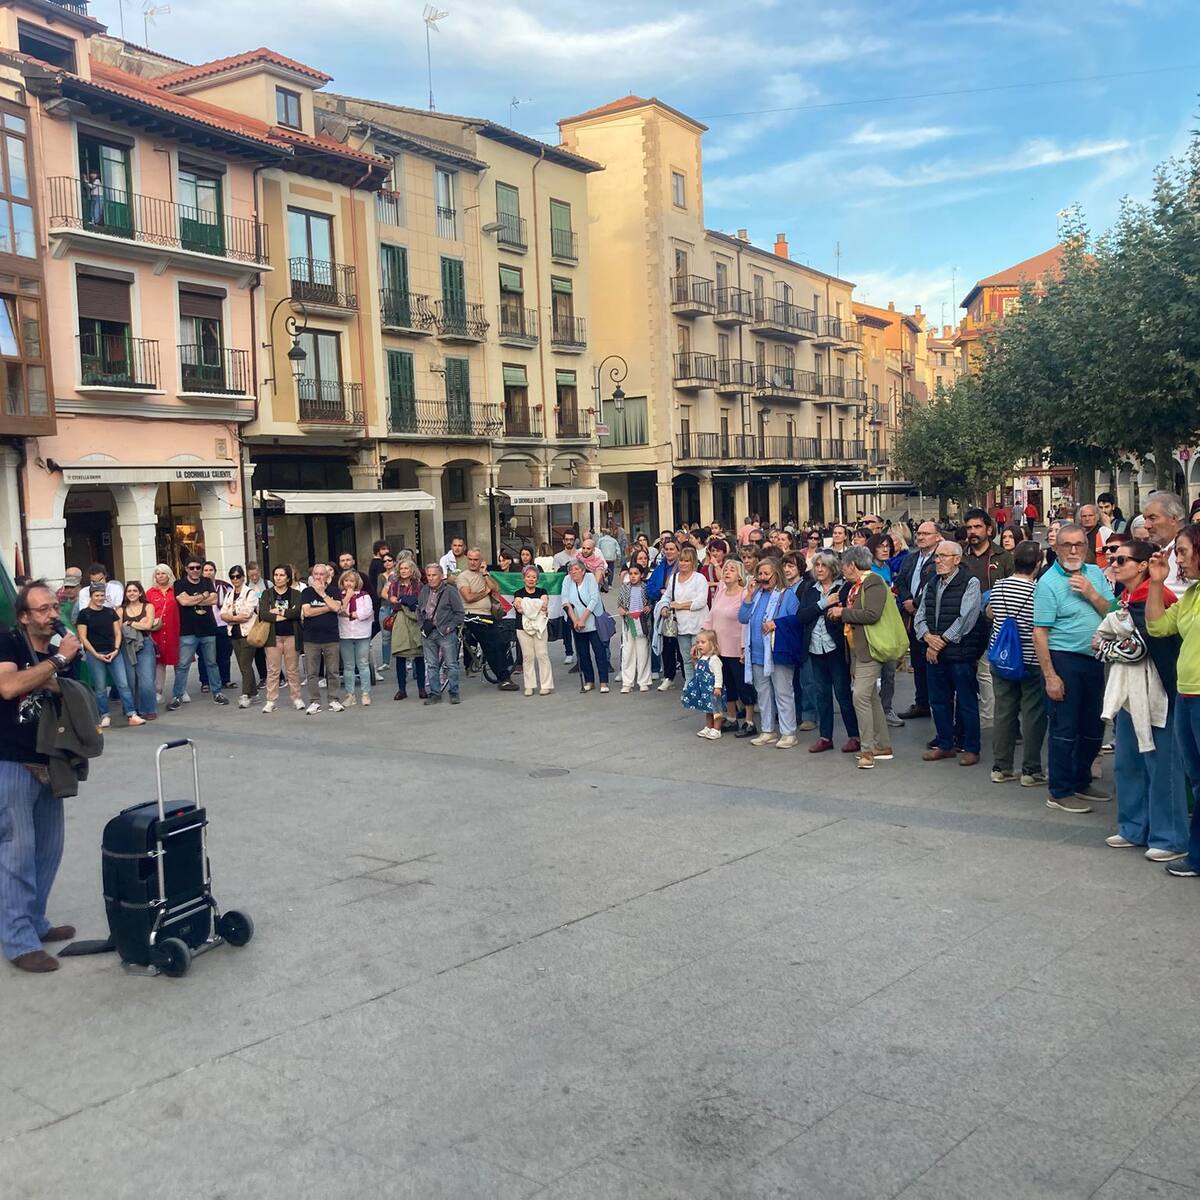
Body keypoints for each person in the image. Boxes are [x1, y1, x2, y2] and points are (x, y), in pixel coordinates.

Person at [0, 582, 86, 972]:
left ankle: (35, 922)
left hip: (52, 762)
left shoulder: (59, 650)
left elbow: (74, 693)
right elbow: (9, 685)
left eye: (55, 607)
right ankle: (18, 941)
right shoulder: (9, 644)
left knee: (48, 850)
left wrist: (57, 667)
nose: (53, 614)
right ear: (23, 616)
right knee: (16, 854)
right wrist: (53, 667)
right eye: (43, 609)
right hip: (12, 761)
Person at [1102, 539, 1188, 860]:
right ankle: (1133, 827)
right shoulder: (1124, 597)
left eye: (1121, 558)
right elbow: (1105, 642)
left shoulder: (1157, 596)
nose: (1114, 561)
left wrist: (1109, 645)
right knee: (1129, 762)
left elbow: (1139, 646)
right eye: (1112, 556)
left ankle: (1169, 836)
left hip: (1156, 691)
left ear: (1141, 565)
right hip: (1129, 690)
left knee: (1161, 764)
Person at [1032, 522, 1115, 813]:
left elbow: (1113, 612)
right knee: (1065, 728)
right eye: (1066, 545)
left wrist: (1091, 593)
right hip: (1064, 659)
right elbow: (1039, 632)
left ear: (1087, 546)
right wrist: (1050, 675)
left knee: (1093, 725)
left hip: (1095, 660)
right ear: (1055, 548)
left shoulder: (1094, 574)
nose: (1073, 550)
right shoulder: (1047, 583)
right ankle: (1060, 789)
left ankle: (1081, 780)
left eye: (1079, 544)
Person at [1146, 526, 1200, 877]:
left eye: (1182, 551)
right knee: (1195, 777)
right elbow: (1157, 627)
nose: (1177, 558)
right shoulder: (1192, 594)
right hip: (1186, 694)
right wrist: (1155, 582)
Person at [916, 541, 983, 767]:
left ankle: (972, 747)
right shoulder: (931, 583)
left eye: (944, 556)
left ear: (956, 559)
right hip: (936, 653)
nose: (938, 560)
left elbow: (967, 618)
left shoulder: (970, 582)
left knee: (966, 702)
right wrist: (926, 637)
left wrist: (940, 642)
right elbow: (920, 615)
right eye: (936, 556)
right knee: (939, 702)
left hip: (960, 653)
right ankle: (945, 744)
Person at [987, 540, 1047, 786]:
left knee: (1004, 711)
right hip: (1030, 658)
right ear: (1038, 564)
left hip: (1001, 656)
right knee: (1033, 713)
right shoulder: (1039, 591)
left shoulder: (999, 586)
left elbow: (990, 612)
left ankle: (1001, 767)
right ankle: (1030, 770)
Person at [826, 546, 891, 769]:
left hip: (871, 648)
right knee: (871, 696)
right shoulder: (855, 586)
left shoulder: (873, 581)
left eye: (843, 565)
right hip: (857, 647)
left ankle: (867, 750)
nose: (842, 570)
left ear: (852, 565)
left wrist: (841, 613)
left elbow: (872, 614)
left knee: (860, 696)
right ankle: (882, 744)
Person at [791, 549, 859, 754]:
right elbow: (802, 616)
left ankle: (854, 736)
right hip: (815, 646)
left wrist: (834, 611)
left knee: (842, 692)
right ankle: (825, 737)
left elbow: (846, 614)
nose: (819, 569)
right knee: (822, 694)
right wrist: (824, 603)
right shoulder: (810, 589)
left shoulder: (844, 588)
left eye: (824, 566)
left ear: (833, 569)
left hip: (836, 647)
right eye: (817, 565)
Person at [738, 557, 799, 749]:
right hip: (756, 652)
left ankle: (788, 732)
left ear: (776, 575)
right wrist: (748, 596)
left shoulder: (786, 595)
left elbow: (795, 620)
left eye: (766, 574)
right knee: (763, 692)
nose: (762, 578)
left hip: (777, 650)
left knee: (783, 692)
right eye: (760, 574)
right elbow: (743, 617)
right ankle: (767, 730)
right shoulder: (756, 594)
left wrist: (776, 624)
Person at [77, 583, 143, 728]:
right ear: (91, 596)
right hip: (95, 654)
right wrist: (94, 654)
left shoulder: (110, 612)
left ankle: (131, 714)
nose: (100, 598)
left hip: (113, 652)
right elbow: (83, 637)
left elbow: (117, 632)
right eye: (97, 595)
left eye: (102, 595)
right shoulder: (84, 614)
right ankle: (104, 715)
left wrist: (116, 649)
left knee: (123, 684)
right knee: (100, 687)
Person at [705, 559, 757, 736]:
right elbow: (712, 616)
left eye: (732, 570)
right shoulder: (720, 592)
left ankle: (749, 721)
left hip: (736, 647)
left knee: (743, 684)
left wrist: (744, 647)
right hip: (719, 647)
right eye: (725, 569)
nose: (727, 572)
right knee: (727, 684)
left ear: (739, 575)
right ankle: (732, 718)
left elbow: (746, 623)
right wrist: (703, 638)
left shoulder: (744, 594)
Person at [168, 558, 228, 710]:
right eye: (192, 568)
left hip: (208, 629)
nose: (195, 570)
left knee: (211, 663)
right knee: (182, 665)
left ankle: (217, 692)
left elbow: (214, 600)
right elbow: (184, 602)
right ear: (186, 569)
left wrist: (193, 599)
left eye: (198, 568)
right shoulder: (179, 584)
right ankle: (177, 695)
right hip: (188, 630)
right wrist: (202, 596)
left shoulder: (207, 582)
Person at [894, 520, 939, 720]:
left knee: (933, 665)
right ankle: (921, 702)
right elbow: (901, 580)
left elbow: (935, 584)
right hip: (911, 616)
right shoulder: (911, 559)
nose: (921, 537)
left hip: (931, 617)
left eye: (926, 534)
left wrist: (917, 603)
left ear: (937, 536)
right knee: (918, 663)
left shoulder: (940, 558)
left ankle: (936, 703)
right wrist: (906, 600)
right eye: (919, 533)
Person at [456, 547, 519, 692]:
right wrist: (485, 592)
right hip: (473, 616)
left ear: (481, 561)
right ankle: (504, 679)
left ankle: (501, 670)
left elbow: (495, 588)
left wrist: (484, 574)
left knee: (502, 643)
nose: (472, 562)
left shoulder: (484, 574)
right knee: (492, 645)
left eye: (475, 560)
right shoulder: (463, 577)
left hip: (489, 615)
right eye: (470, 559)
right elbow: (469, 597)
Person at [258, 565, 304, 714]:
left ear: (288, 578)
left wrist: (279, 611)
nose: (278, 578)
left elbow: (296, 612)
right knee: (273, 670)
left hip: (291, 635)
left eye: (281, 575)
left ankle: (296, 698)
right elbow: (264, 613)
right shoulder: (267, 593)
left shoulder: (296, 594)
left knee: (292, 669)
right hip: (273, 637)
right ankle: (271, 700)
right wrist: (283, 615)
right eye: (276, 575)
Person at [419, 563, 465, 705]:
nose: (431, 578)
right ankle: (435, 693)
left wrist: (449, 627)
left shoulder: (450, 591)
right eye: (429, 575)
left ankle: (454, 692)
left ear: (441, 576)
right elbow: (419, 609)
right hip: (428, 632)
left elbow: (459, 613)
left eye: (434, 575)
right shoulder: (424, 590)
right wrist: (421, 625)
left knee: (451, 664)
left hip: (445, 632)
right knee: (432, 664)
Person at [662, 546, 709, 686]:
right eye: (681, 560)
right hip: (681, 626)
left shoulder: (699, 578)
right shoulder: (674, 578)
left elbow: (701, 602)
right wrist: (664, 606)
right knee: (686, 658)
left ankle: (703, 686)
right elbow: (667, 595)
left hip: (698, 625)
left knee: (700, 658)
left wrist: (679, 605)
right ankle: (689, 685)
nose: (683, 563)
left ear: (693, 562)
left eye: (687, 561)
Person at [562, 560, 608, 693]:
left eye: (576, 569)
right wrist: (575, 620)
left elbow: (594, 599)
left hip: (593, 621)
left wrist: (582, 619)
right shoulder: (567, 580)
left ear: (583, 571)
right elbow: (565, 600)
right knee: (582, 653)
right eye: (571, 569)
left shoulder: (589, 578)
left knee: (599, 652)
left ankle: (604, 681)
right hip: (576, 622)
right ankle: (589, 680)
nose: (573, 572)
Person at [220, 565, 261, 709]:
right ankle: (254, 693)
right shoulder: (229, 594)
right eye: (232, 577)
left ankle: (245, 695)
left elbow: (247, 614)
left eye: (238, 576)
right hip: (234, 633)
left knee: (245, 664)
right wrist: (232, 618)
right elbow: (222, 614)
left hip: (248, 633)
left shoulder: (250, 593)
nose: (235, 579)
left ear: (243, 577)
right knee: (243, 665)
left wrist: (230, 617)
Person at [386, 559, 426, 701]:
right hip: (400, 620)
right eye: (401, 568)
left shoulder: (419, 585)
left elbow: (420, 602)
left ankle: (422, 687)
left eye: (406, 568)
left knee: (419, 654)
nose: (403, 571)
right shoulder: (394, 585)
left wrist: (402, 599)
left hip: (415, 620)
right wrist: (406, 600)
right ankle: (401, 689)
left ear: (412, 570)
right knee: (401, 654)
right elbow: (393, 602)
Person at [1142, 490, 1194, 597]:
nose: (1146, 525)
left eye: (1152, 518)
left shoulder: (1193, 549)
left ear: (1173, 519)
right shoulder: (1160, 550)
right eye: (1145, 519)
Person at [512, 564, 553, 696]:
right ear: (524, 578)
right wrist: (535, 605)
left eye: (534, 577)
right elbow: (519, 607)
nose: (531, 579)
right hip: (522, 628)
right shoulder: (518, 593)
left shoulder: (542, 592)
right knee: (527, 657)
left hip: (540, 628)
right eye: (528, 577)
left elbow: (544, 605)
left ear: (537, 579)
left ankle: (546, 685)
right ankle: (529, 686)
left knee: (542, 655)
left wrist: (527, 604)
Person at [119, 581, 158, 721]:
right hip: (126, 645)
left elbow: (148, 625)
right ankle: (131, 708)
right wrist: (139, 623)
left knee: (147, 678)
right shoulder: (120, 609)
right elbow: (118, 630)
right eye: (129, 591)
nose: (132, 593)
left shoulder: (148, 606)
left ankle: (149, 709)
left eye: (135, 591)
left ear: (140, 592)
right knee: (129, 679)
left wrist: (129, 623)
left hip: (145, 643)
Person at [338, 570, 374, 708]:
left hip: (362, 633)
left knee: (363, 664)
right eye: (346, 580)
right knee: (348, 666)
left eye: (351, 581)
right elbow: (339, 610)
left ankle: (365, 693)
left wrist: (355, 614)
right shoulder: (339, 596)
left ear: (357, 582)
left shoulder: (365, 596)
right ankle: (350, 694)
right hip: (345, 634)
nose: (349, 583)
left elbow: (367, 611)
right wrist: (347, 597)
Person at [617, 561, 652, 693]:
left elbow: (650, 603)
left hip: (642, 622)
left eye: (636, 574)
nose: (633, 576)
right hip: (628, 622)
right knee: (628, 652)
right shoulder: (624, 588)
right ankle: (627, 682)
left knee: (642, 652)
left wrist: (649, 607)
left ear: (641, 575)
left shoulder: (645, 588)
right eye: (631, 574)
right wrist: (620, 610)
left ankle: (643, 681)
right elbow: (619, 603)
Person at [146, 564, 179, 702]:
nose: (160, 576)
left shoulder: (176, 590)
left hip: (174, 629)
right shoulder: (149, 593)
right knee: (159, 662)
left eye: (163, 573)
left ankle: (180, 690)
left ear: (169, 575)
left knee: (179, 661)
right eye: (158, 574)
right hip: (157, 632)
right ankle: (158, 691)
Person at [683, 628, 725, 739]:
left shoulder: (714, 659)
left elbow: (718, 674)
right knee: (707, 710)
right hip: (704, 689)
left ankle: (717, 729)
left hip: (712, 690)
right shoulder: (702, 658)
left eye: (703, 642)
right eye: (698, 643)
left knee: (716, 710)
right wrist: (695, 661)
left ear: (711, 644)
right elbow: (698, 669)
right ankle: (708, 726)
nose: (699, 645)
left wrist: (718, 687)